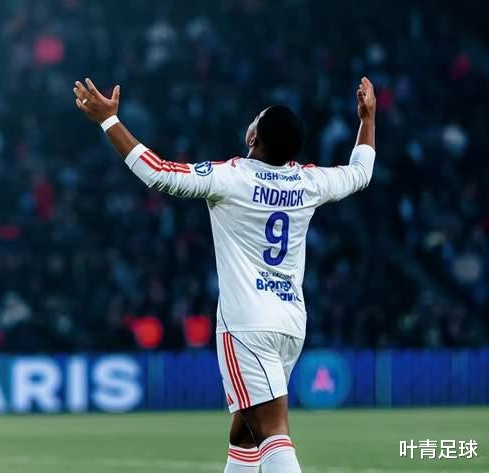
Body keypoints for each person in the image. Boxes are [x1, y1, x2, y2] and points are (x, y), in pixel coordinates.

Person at [73, 76, 376, 473]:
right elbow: (361, 172)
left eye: (257, 119)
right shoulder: (309, 181)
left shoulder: (231, 177)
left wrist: (109, 121)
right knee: (244, 435)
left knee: (271, 432)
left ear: (254, 138)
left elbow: (158, 173)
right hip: (290, 323)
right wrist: (367, 119)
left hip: (246, 324)